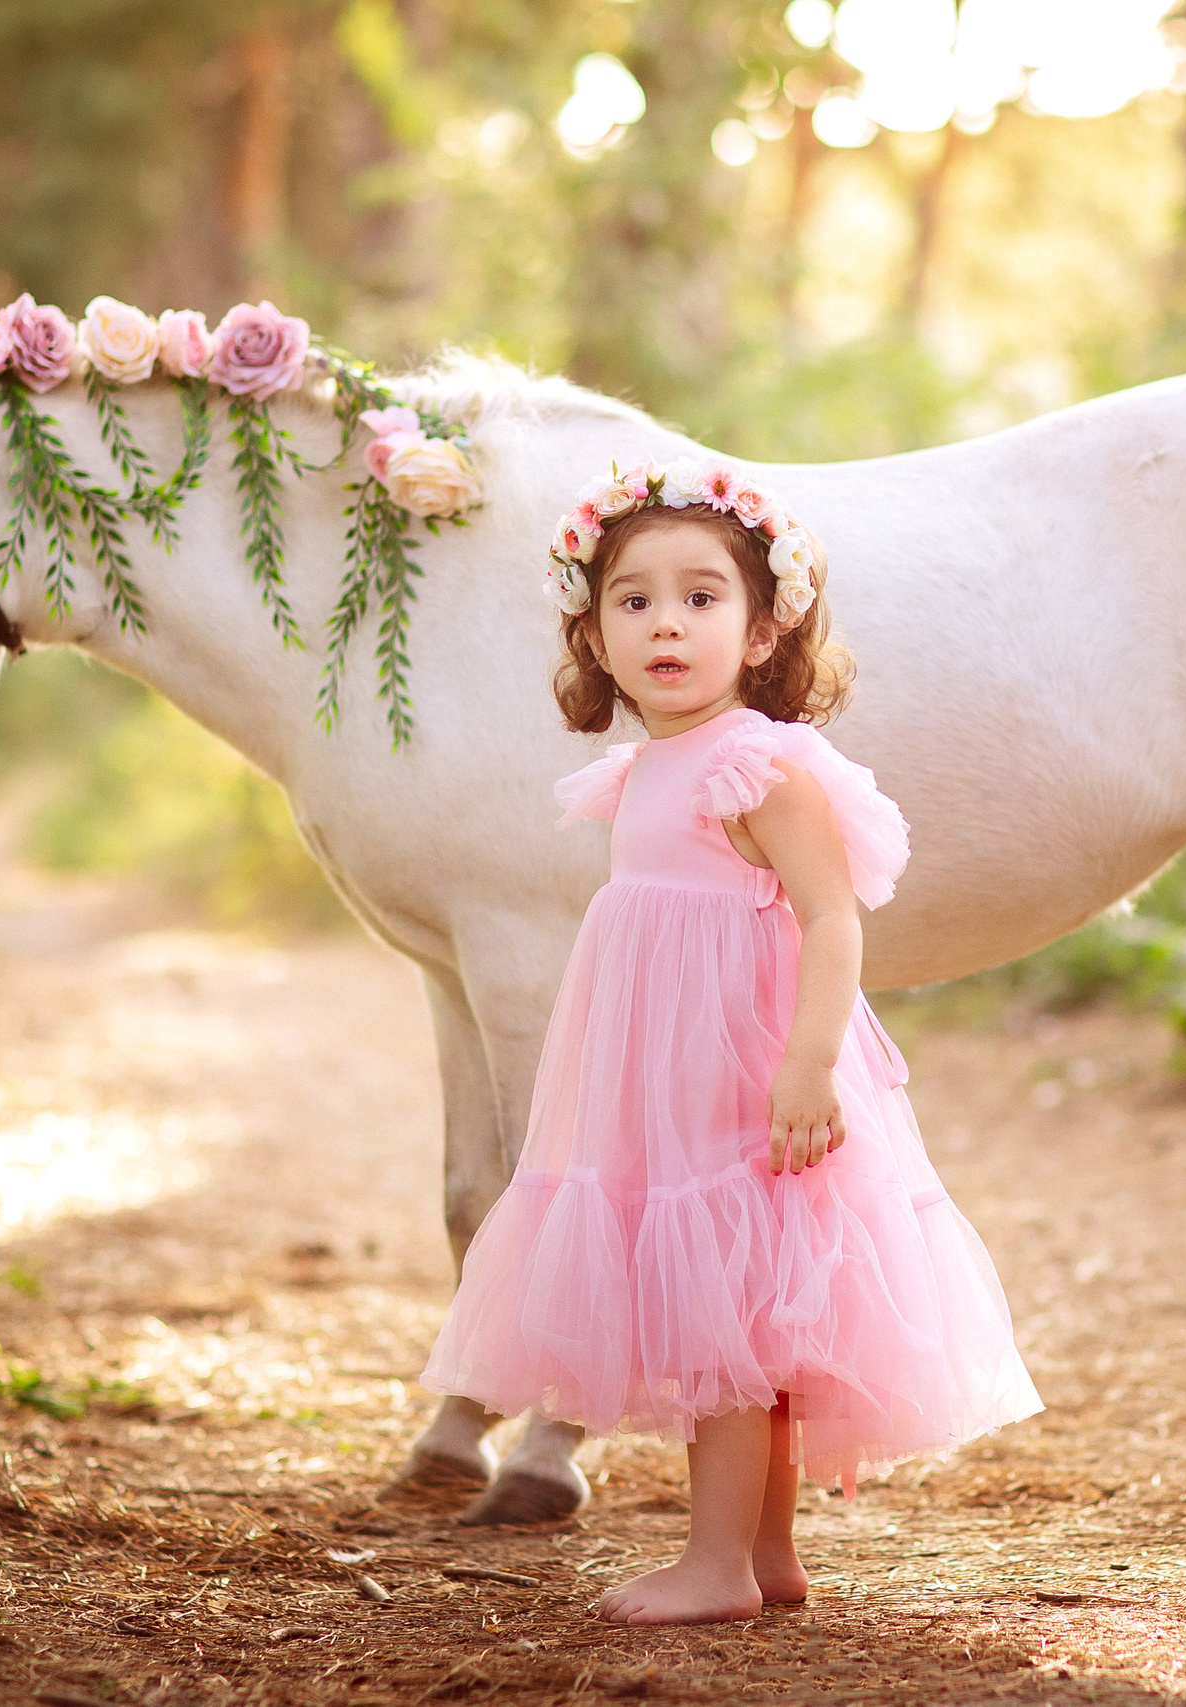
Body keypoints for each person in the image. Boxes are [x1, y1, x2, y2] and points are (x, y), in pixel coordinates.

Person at [419, 457, 1040, 1625]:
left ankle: (713, 1566)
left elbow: (831, 920)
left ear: (761, 632)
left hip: (749, 1066)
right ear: (595, 638)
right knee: (745, 1309)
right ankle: (763, 1556)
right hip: (668, 1070)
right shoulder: (644, 769)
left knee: (730, 1308)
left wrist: (806, 1064)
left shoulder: (757, 763)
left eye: (701, 598)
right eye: (633, 600)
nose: (666, 623)